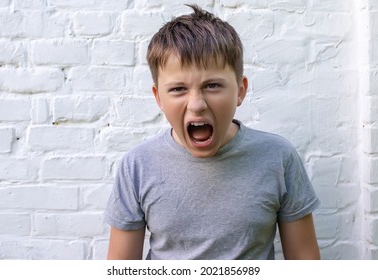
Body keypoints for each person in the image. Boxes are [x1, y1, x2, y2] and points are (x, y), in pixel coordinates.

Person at [105, 4, 320, 260]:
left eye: (213, 85)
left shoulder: (278, 158)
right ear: (158, 98)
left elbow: (306, 263)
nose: (197, 104)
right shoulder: (138, 166)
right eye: (178, 89)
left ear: (240, 90)